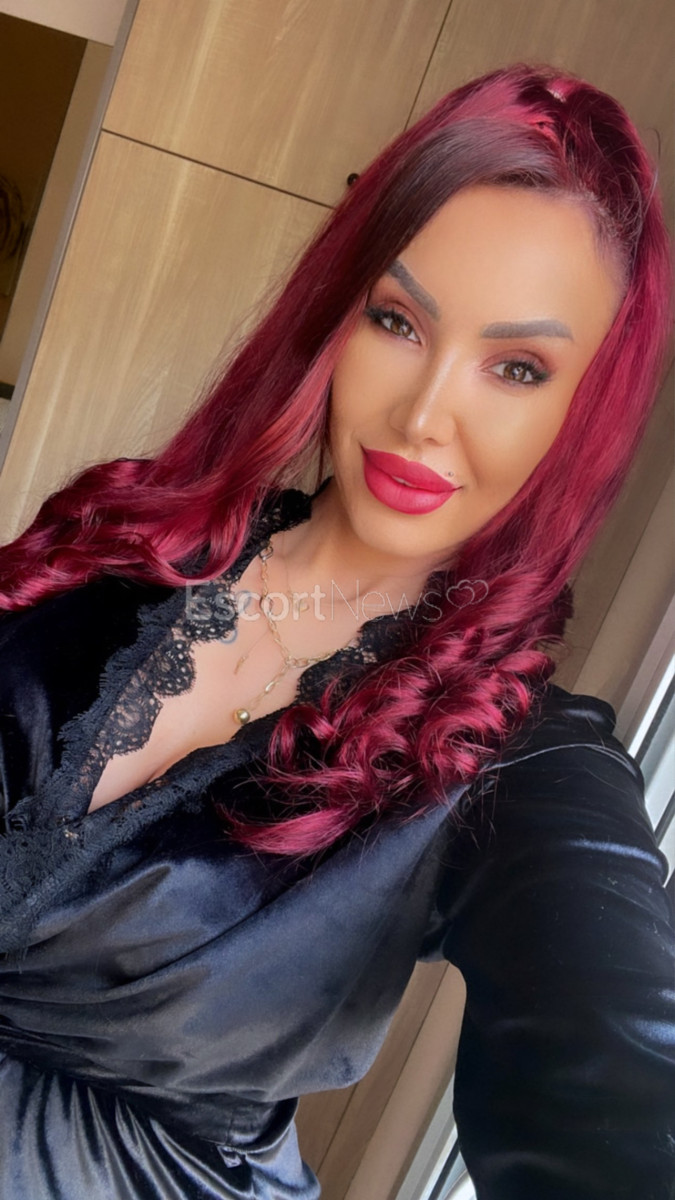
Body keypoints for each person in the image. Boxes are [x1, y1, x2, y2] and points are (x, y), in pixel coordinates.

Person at [0, 60, 673, 1200]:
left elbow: (616, 1088)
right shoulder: (119, 540)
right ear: (338, 314)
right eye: (398, 320)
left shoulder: (515, 763)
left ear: (581, 414)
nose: (424, 414)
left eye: (516, 367)